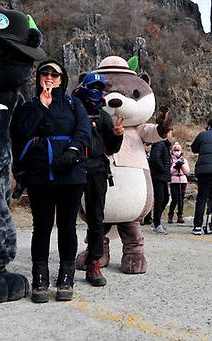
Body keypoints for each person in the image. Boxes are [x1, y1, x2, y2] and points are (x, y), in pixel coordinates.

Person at [10, 60, 91, 303]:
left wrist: (72, 151)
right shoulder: (29, 105)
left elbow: (84, 131)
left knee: (67, 227)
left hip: (71, 174)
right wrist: (41, 108)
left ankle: (66, 278)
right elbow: (19, 133)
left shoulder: (73, 103)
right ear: (38, 78)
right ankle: (40, 277)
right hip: (40, 175)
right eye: (44, 73)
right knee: (42, 227)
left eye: (54, 74)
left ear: (61, 79)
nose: (49, 77)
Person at [72, 72, 123, 287]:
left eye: (100, 88)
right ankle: (65, 265)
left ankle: (94, 263)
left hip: (98, 170)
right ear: (83, 87)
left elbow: (110, 148)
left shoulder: (103, 116)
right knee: (66, 220)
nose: (97, 91)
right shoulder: (72, 110)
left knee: (96, 219)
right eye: (93, 86)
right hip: (72, 168)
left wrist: (117, 135)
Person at [148, 133, 173, 234]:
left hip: (163, 177)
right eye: (171, 133)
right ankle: (157, 224)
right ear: (166, 134)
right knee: (160, 199)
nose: (172, 135)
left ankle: (156, 221)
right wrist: (163, 169)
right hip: (158, 176)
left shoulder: (165, 145)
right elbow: (155, 158)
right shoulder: (159, 143)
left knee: (165, 198)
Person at [168, 142, 190, 224]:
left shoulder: (184, 160)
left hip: (183, 180)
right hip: (174, 181)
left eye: (178, 150)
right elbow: (169, 171)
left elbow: (187, 171)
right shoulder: (170, 160)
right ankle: (170, 215)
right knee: (175, 199)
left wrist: (182, 165)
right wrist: (175, 167)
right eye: (175, 150)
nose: (176, 152)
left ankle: (180, 215)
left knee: (181, 199)